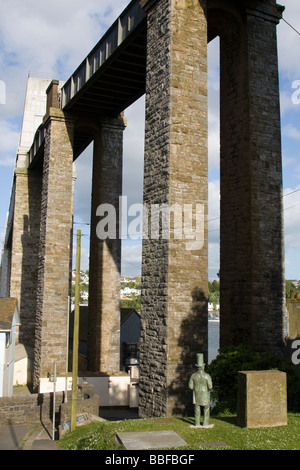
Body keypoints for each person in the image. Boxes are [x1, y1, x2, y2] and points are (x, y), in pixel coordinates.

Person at [188, 353, 213, 427]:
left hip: (196, 395)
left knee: (197, 409)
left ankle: (197, 423)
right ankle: (205, 423)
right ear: (203, 367)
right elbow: (210, 387)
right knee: (206, 408)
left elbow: (190, 387)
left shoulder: (193, 376)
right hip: (204, 394)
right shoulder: (206, 376)